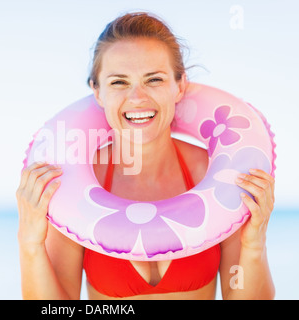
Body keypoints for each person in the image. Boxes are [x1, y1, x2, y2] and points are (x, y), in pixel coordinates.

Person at [16, 12, 275, 300]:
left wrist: (253, 246)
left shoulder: (218, 175)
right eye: (119, 82)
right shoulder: (72, 187)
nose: (137, 98)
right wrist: (29, 242)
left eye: (153, 79)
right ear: (97, 92)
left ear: (179, 85)